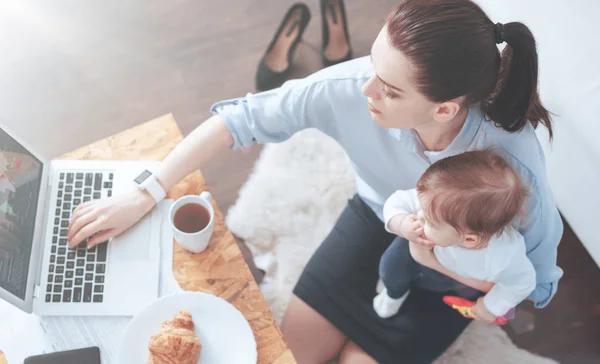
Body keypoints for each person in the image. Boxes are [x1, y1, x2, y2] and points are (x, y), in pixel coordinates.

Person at [67, 0, 564, 362]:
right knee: (292, 353)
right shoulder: (353, 88)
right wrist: (143, 191)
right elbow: (238, 120)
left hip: (462, 270)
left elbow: (536, 279)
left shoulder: (511, 164)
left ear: (444, 109)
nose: (364, 90)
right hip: (378, 219)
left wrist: (437, 260)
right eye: (372, 66)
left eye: (388, 90)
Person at [374, 150, 536, 324]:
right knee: (390, 267)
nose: (419, 215)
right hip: (416, 244)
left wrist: (491, 307)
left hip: (451, 273)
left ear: (469, 239)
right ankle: (394, 292)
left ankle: (409, 287)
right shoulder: (437, 200)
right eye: (421, 209)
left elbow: (521, 284)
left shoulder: (504, 255)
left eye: (430, 222)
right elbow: (398, 201)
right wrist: (402, 223)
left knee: (433, 286)